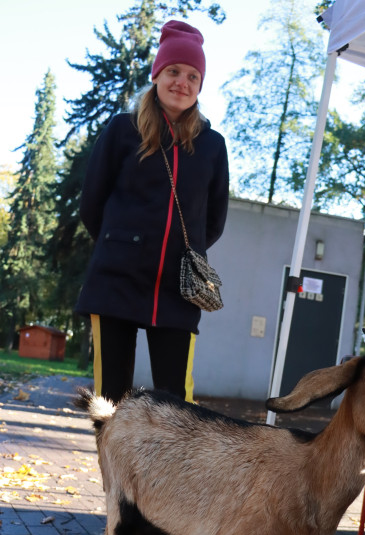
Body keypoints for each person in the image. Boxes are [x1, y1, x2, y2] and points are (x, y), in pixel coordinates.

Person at [76, 20, 229, 404]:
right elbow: (92, 204)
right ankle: (111, 468)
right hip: (116, 281)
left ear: (200, 85)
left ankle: (171, 469)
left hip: (179, 291)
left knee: (177, 407)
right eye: (174, 71)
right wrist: (122, 243)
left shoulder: (212, 146)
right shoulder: (121, 131)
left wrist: (181, 250)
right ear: (157, 74)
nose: (183, 82)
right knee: (109, 402)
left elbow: (213, 221)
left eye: (193, 75)